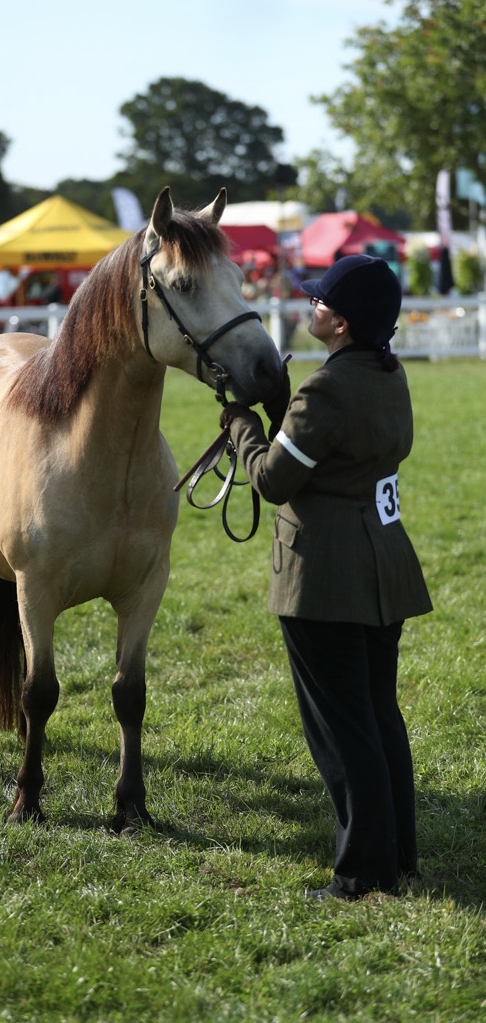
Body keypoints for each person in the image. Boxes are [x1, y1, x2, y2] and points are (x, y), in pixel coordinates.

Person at [219, 254, 433, 900]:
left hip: (325, 578)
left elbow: (271, 479)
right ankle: (396, 852)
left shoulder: (326, 388)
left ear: (337, 321)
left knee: (343, 732)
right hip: (382, 567)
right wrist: (288, 417)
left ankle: (362, 873)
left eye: (316, 301)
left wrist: (240, 430)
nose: (308, 306)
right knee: (377, 717)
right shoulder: (384, 374)